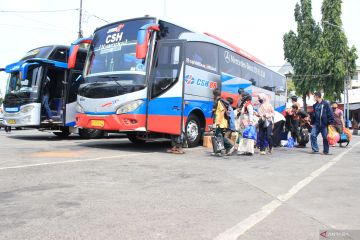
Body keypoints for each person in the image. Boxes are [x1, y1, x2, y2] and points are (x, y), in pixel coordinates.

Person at [212, 89, 235, 156]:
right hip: (223, 122)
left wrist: (213, 111)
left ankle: (230, 146)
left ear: (214, 95)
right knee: (219, 136)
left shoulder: (217, 102)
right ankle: (219, 150)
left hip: (220, 122)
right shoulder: (223, 101)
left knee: (218, 136)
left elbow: (218, 113)